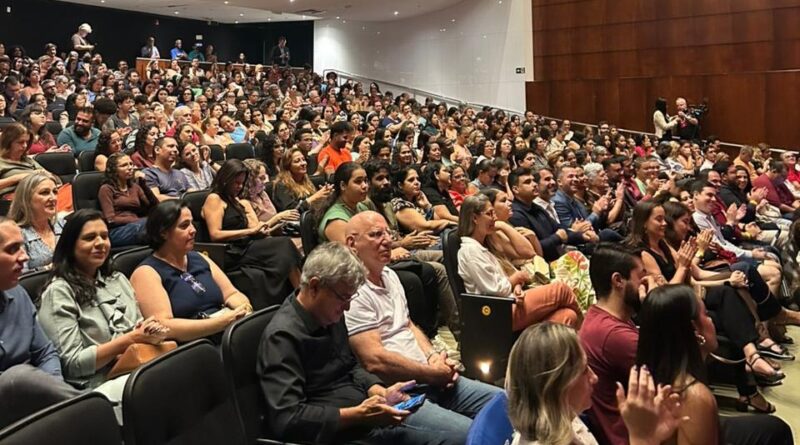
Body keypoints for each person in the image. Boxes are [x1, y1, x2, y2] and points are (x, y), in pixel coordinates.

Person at [257, 242, 456, 444]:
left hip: (368, 418)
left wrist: (378, 390)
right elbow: (287, 418)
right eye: (343, 297)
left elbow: (351, 365)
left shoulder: (330, 314)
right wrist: (357, 414)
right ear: (315, 286)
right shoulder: (281, 338)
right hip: (337, 435)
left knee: (461, 438)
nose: (348, 306)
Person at [344, 211, 500, 444]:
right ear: (352, 243)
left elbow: (407, 324)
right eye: (376, 234)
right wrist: (431, 373)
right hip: (401, 391)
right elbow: (373, 360)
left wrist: (433, 356)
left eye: (387, 232)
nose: (386, 240)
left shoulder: (389, 275)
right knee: (473, 436)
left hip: (431, 376)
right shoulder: (352, 290)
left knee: (508, 404)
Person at [637, 284, 793, 445]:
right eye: (706, 314)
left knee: (774, 428)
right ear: (695, 330)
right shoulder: (694, 397)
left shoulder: (655, 369)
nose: (712, 320)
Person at [38, 210, 170, 396]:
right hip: (98, 386)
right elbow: (71, 365)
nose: (100, 243)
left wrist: (150, 332)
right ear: (70, 245)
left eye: (104, 236)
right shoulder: (58, 292)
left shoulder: (117, 279)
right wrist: (131, 339)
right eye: (90, 238)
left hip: (139, 368)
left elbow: (138, 327)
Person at [507, 322, 683, 445]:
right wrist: (642, 438)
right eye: (583, 371)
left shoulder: (562, 420)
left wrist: (651, 437)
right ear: (557, 386)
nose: (594, 378)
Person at [131, 200, 253, 342]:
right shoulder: (146, 272)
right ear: (163, 233)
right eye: (184, 226)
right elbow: (164, 326)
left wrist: (243, 309)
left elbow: (232, 294)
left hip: (227, 331)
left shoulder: (199, 257)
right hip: (196, 347)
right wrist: (221, 323)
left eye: (192, 223)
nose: (193, 230)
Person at [0, 217, 80, 429]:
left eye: (23, 247)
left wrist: (51, 390)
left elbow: (45, 353)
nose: (24, 257)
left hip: (38, 401)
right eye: (12, 249)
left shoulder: (17, 294)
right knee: (18, 377)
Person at [457, 194, 580, 330]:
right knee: (561, 290)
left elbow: (507, 276)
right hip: (497, 311)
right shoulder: (470, 251)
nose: (495, 218)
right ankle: (590, 339)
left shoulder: (484, 244)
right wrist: (517, 277)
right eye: (489, 213)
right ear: (474, 218)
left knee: (568, 315)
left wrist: (517, 286)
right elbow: (495, 290)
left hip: (510, 300)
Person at [201, 159, 302, 308]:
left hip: (246, 244)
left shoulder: (236, 200)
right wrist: (250, 231)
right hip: (230, 251)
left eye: (242, 183)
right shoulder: (214, 199)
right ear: (225, 179)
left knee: (284, 244)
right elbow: (215, 234)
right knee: (283, 245)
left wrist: (259, 229)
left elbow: (252, 226)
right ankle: (301, 295)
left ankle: (299, 293)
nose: (239, 187)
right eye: (236, 183)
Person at [10, 173, 64, 272]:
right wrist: (49, 268)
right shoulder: (16, 234)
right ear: (26, 199)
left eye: (55, 192)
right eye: (44, 193)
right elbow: (21, 276)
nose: (53, 198)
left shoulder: (63, 225)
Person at [99, 153, 155, 247]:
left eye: (131, 164)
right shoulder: (106, 189)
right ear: (114, 170)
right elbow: (111, 219)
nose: (130, 168)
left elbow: (154, 207)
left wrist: (143, 184)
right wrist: (136, 220)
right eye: (124, 165)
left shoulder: (134, 187)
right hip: (117, 231)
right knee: (147, 225)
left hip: (138, 225)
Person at [317, 162, 371, 242]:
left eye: (365, 181)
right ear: (343, 185)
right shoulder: (336, 221)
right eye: (358, 181)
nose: (365, 186)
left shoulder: (361, 207)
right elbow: (353, 253)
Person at [273, 148, 333, 212]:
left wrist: (324, 197)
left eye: (303, 159)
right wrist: (315, 197)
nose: (303, 163)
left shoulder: (306, 180)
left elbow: (314, 206)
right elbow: (291, 211)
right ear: (288, 166)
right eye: (297, 161)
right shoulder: (281, 185)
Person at [0, 123, 46, 197]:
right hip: (15, 198)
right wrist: (17, 178)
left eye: (27, 142)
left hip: (40, 191)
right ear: (8, 143)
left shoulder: (27, 160)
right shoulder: (1, 162)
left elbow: (49, 175)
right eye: (20, 142)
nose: (25, 146)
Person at [144, 137, 191, 201]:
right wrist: (182, 200)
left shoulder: (179, 173)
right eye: (171, 146)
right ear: (157, 150)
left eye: (176, 147)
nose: (176, 150)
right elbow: (156, 197)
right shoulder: (149, 173)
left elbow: (191, 192)